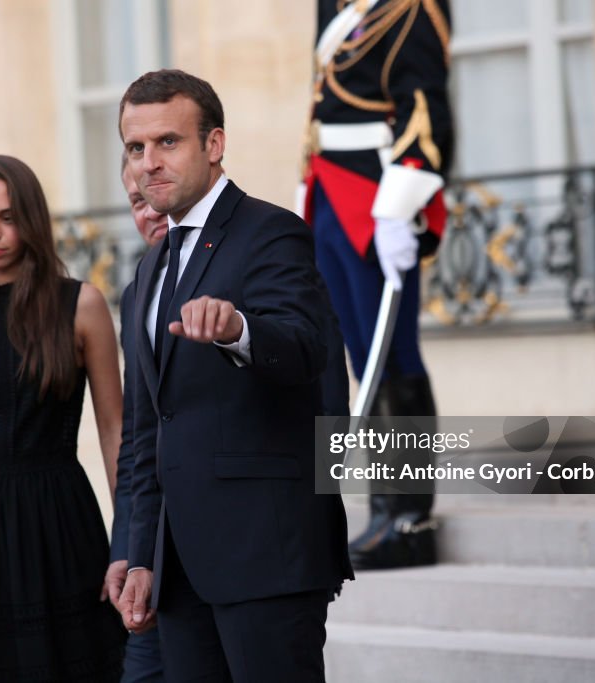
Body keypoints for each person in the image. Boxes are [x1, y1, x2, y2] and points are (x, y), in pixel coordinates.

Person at [116, 69, 353, 682]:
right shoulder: (146, 275)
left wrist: (240, 331)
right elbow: (146, 434)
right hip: (178, 570)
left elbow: (306, 348)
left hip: (263, 556)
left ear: (213, 144)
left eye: (167, 142)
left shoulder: (270, 231)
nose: (148, 163)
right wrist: (137, 552)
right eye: (136, 148)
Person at [0, 155, 127, 681]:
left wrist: (131, 543)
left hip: (61, 524)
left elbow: (115, 431)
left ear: (31, 220)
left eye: (8, 218)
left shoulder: (82, 306)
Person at [298, 0, 454, 570]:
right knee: (361, 357)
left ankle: (412, 517)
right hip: (330, 189)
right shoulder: (337, 5)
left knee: (392, 353)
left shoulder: (412, 8)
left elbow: (426, 107)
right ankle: (383, 508)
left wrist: (399, 203)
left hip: (376, 194)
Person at [104, 158, 168, 683]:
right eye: (135, 203)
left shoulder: (263, 251)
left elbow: (321, 396)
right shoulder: (135, 293)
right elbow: (136, 441)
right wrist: (126, 547)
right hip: (153, 551)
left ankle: (405, 513)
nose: (150, 213)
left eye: (154, 196)